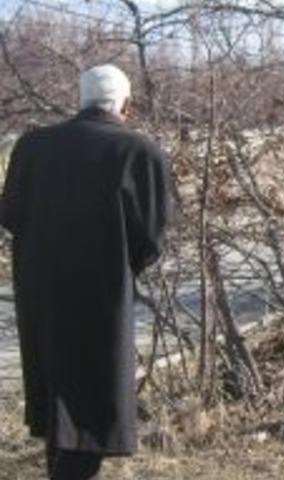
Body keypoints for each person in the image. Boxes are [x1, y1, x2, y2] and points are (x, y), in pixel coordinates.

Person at [0, 64, 171, 479]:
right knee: (89, 412)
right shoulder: (139, 152)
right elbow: (150, 239)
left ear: (80, 100)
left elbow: (10, 215)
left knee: (59, 401)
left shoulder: (33, 147)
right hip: (102, 298)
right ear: (125, 105)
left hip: (39, 293)